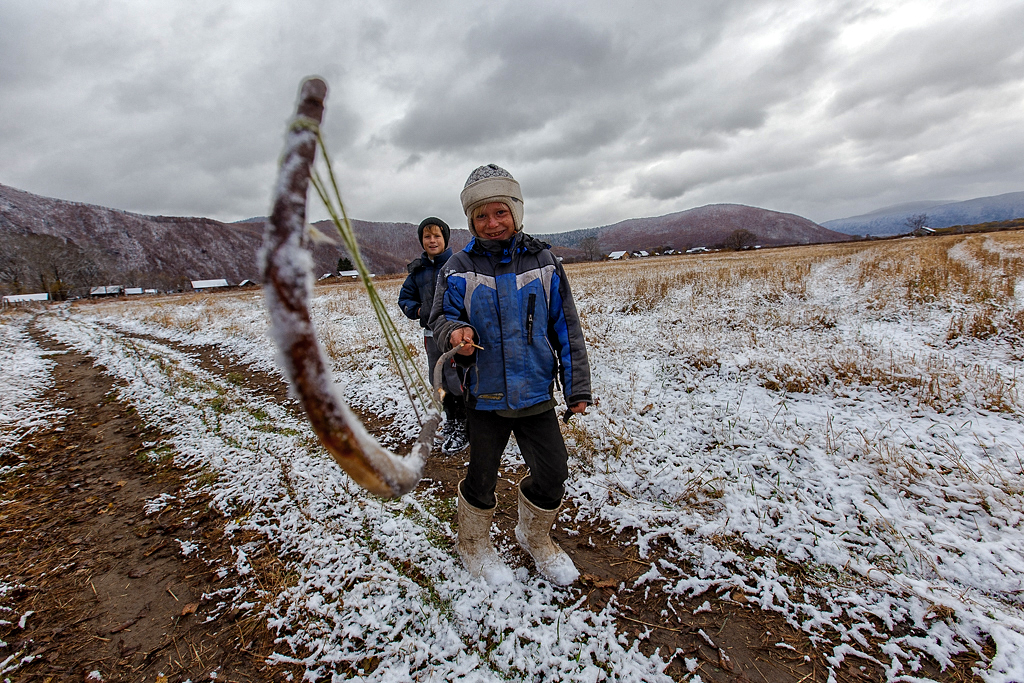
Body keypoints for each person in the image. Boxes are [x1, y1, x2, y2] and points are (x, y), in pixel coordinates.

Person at [430, 164, 592, 586]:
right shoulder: (458, 267)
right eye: (481, 216)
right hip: (484, 395)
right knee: (481, 476)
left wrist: (576, 387)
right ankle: (473, 544)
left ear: (516, 213)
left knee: (554, 471)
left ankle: (534, 536)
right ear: (470, 222)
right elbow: (440, 320)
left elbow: (565, 326)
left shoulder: (545, 262)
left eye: (500, 212)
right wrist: (456, 333)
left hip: (536, 391)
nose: (492, 223)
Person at [398, 217, 468, 454]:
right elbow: (404, 299)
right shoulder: (418, 271)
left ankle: (464, 422)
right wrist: (418, 310)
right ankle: (451, 418)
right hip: (431, 335)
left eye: (437, 236)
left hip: (454, 334)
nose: (432, 240)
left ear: (445, 239)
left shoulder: (457, 263)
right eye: (427, 237)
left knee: (457, 377)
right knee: (437, 378)